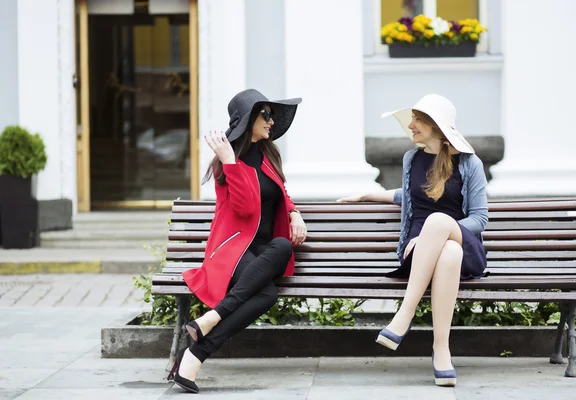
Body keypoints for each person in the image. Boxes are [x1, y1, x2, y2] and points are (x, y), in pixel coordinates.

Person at [339, 94, 488, 387]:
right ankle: (441, 350)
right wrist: (368, 194)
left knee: (439, 226)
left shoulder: (470, 164)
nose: (411, 125)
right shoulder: (412, 159)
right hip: (420, 254)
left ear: (435, 125)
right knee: (447, 254)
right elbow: (408, 195)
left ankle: (404, 315)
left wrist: (438, 229)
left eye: (417, 119)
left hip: (465, 246)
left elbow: (479, 219)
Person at [169, 89, 307, 393]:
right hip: (233, 248)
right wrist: (230, 161)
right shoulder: (225, 163)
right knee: (266, 295)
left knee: (282, 246)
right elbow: (245, 207)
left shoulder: (270, 154)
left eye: (272, 115)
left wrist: (295, 212)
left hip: (263, 250)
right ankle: (197, 351)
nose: (271, 121)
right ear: (249, 120)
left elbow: (280, 192)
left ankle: (205, 331)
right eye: (266, 114)